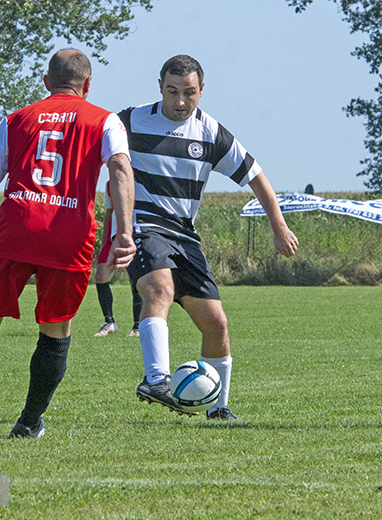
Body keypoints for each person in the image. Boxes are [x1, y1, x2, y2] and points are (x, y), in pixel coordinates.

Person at [0, 49, 135, 442]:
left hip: (15, 227)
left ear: (46, 83)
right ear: (87, 85)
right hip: (68, 233)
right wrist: (124, 231)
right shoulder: (105, 120)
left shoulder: (16, 120)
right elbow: (121, 169)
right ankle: (28, 422)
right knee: (56, 330)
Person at [120, 55, 299, 421]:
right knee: (159, 290)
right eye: (172, 91)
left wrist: (278, 225)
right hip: (145, 225)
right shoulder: (129, 121)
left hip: (185, 235)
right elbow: (88, 151)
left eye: (189, 92)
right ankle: (156, 380)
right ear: (160, 87)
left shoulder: (211, 133)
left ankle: (219, 409)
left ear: (202, 90)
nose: (180, 101)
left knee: (216, 323)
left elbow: (255, 175)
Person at [94, 181, 143, 337]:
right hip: (112, 235)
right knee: (100, 275)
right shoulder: (109, 184)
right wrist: (104, 242)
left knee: (135, 279)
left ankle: (137, 326)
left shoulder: (138, 183)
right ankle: (109, 323)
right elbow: (109, 212)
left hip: (133, 234)